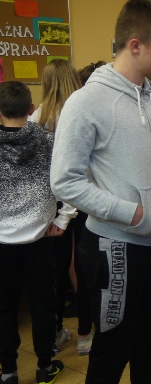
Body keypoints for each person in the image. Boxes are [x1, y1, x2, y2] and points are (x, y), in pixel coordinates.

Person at [51, 0, 151, 382]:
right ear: (135, 45)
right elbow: (64, 180)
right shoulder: (86, 102)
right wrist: (131, 212)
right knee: (113, 351)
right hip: (116, 247)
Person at [1, 81, 70, 384]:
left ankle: (8, 372)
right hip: (40, 237)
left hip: (2, 241)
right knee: (43, 304)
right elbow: (68, 180)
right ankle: (45, 366)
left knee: (5, 308)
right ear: (31, 109)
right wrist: (64, 218)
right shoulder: (49, 141)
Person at [28, 59, 86, 355]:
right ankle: (87, 332)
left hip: (55, 199)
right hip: (85, 197)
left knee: (57, 269)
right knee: (85, 266)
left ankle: (57, 329)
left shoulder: (39, 116)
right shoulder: (83, 110)